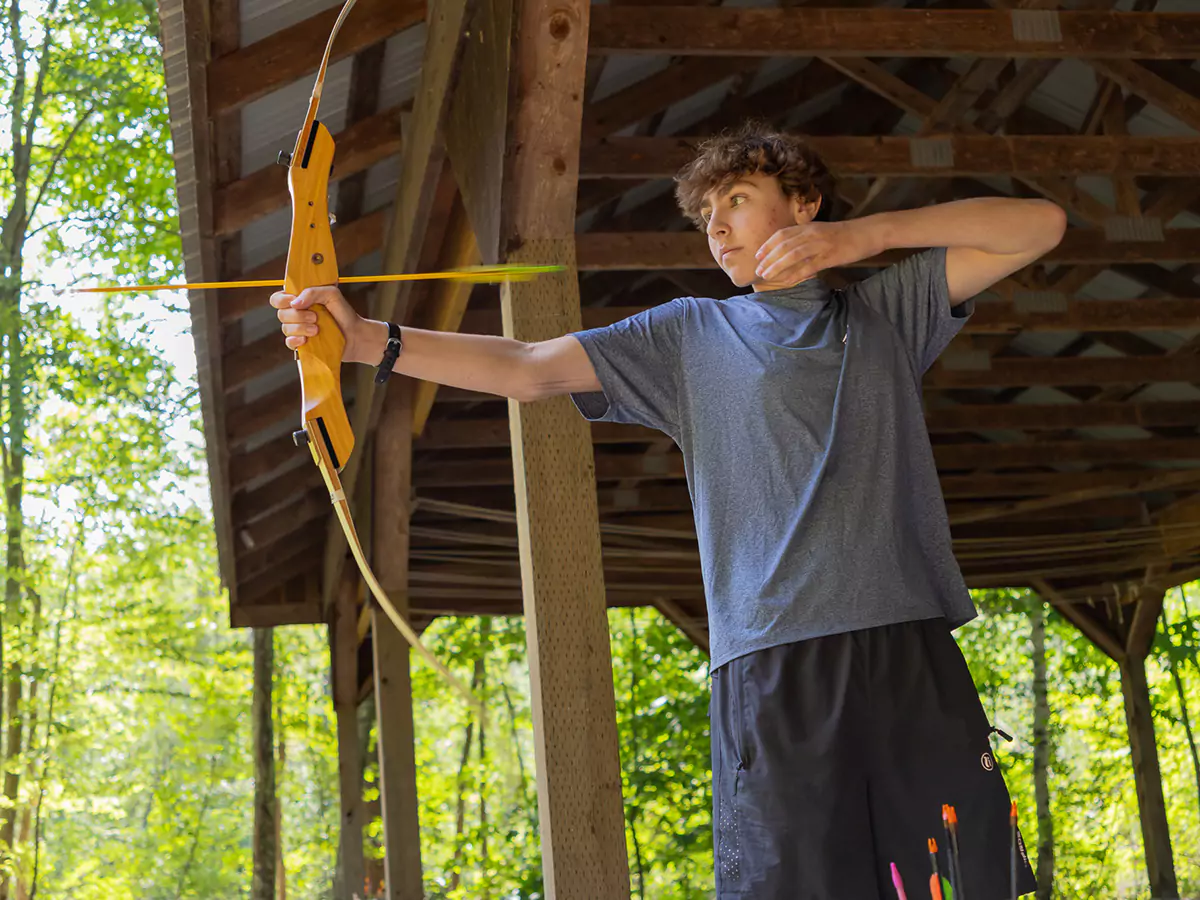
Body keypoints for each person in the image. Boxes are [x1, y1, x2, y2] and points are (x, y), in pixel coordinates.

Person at [274, 121, 1064, 900]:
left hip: (907, 645)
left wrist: (859, 239)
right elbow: (527, 368)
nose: (716, 228)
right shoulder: (690, 333)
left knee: (961, 881)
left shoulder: (889, 312)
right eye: (706, 216)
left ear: (803, 202)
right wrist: (366, 340)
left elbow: (1039, 226)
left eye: (738, 200)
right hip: (773, 662)